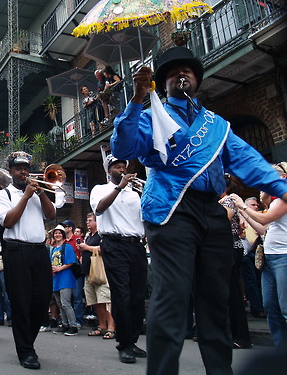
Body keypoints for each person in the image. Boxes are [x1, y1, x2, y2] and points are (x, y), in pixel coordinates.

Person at [110, 46, 287, 374]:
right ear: (163, 83)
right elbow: (122, 147)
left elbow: (247, 160)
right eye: (174, 71)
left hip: (212, 211)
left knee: (216, 304)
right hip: (171, 209)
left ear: (197, 79)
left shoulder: (216, 125)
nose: (182, 75)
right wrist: (136, 99)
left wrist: (283, 189)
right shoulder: (152, 116)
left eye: (187, 70)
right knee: (173, 298)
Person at [0, 151, 55, 370]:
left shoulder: (38, 193)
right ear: (10, 172)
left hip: (39, 251)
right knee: (20, 302)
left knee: (41, 300)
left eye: (26, 168)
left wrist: (41, 194)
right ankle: (26, 351)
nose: (23, 172)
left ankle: (27, 343)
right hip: (16, 251)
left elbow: (51, 215)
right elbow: (8, 221)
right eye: (18, 168)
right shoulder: (3, 195)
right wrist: (26, 196)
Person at [89, 155, 147, 364]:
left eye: (123, 166)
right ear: (108, 170)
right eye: (116, 166)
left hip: (136, 244)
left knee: (138, 297)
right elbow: (99, 209)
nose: (121, 169)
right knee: (121, 294)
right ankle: (123, 344)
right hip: (113, 244)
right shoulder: (100, 189)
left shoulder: (136, 192)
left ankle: (131, 341)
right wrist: (120, 187)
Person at [231, 161, 287, 350]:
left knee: (285, 307)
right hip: (270, 258)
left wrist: (241, 205)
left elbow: (265, 218)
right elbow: (263, 229)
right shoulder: (273, 201)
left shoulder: (284, 198)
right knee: (271, 307)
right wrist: (244, 212)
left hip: (283, 257)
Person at [220, 174, 252, 349]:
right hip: (227, 248)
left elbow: (222, 219)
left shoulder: (229, 200)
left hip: (232, 248)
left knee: (233, 294)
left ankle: (240, 336)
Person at [78, 213, 115, 339]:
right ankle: (102, 326)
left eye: (90, 221)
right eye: (87, 221)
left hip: (100, 272)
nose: (87, 223)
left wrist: (87, 247)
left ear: (97, 222)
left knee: (105, 300)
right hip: (89, 272)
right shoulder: (89, 236)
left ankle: (111, 327)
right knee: (96, 302)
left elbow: (104, 249)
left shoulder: (102, 235)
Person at [49, 225, 79, 336]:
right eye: (55, 233)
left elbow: (71, 262)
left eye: (59, 233)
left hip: (66, 278)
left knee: (66, 303)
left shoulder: (67, 247)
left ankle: (73, 326)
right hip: (55, 279)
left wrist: (59, 268)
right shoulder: (53, 249)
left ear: (63, 235)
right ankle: (65, 324)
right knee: (59, 304)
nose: (57, 235)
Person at [240, 197, 266, 318]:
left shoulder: (260, 216)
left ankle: (261, 306)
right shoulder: (240, 214)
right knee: (251, 281)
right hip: (245, 252)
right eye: (253, 205)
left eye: (256, 205)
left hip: (258, 252)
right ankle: (257, 308)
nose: (256, 207)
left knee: (260, 280)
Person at [60, 219, 84, 328]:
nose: (63, 228)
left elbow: (82, 253)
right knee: (67, 298)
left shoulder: (78, 239)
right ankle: (68, 321)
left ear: (70, 228)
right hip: (65, 271)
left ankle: (78, 320)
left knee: (77, 296)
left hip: (75, 270)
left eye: (65, 226)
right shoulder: (63, 241)